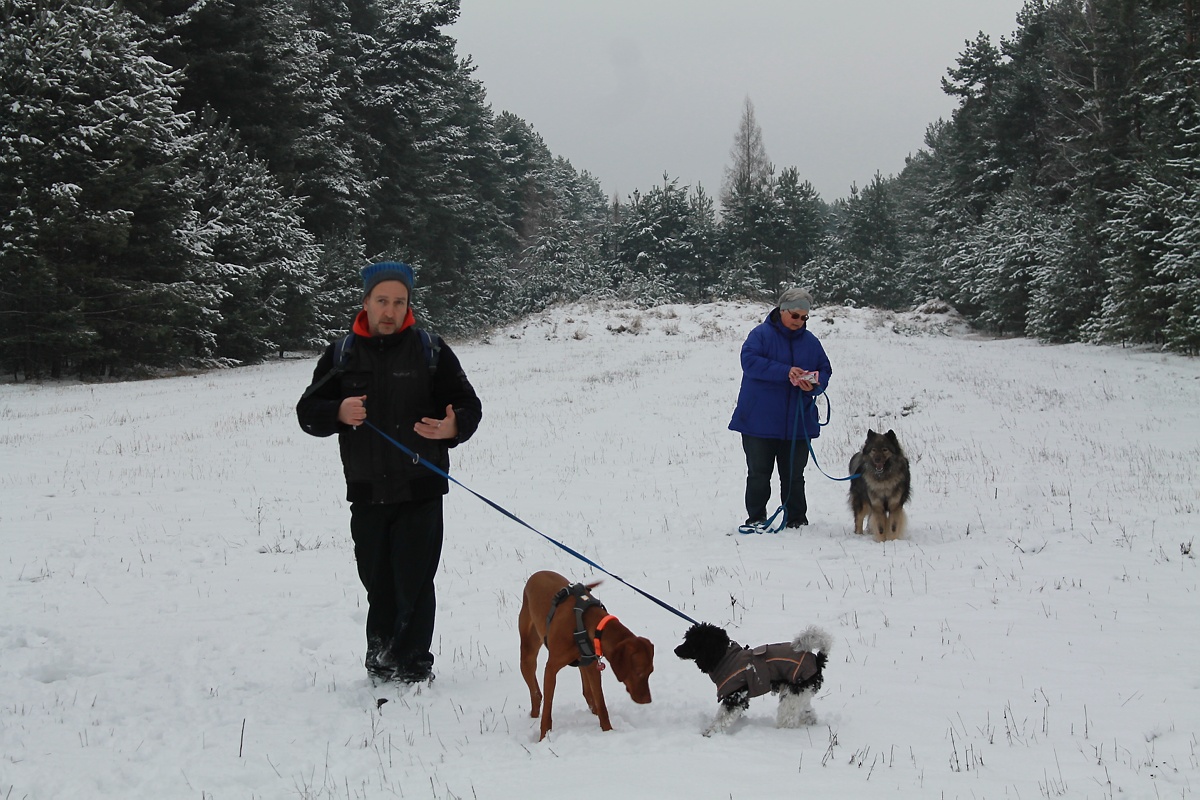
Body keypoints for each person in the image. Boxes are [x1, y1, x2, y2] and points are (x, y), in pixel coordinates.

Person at [296, 261, 482, 683]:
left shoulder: (430, 350)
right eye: (382, 300)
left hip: (421, 488)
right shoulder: (342, 353)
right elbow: (308, 413)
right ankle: (380, 657)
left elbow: (469, 405)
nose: (390, 310)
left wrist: (454, 426)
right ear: (365, 302)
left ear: (408, 305)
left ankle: (414, 663)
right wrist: (337, 411)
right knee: (377, 580)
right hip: (367, 492)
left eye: (399, 302)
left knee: (415, 581)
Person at [728, 287, 832, 530]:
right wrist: (784, 371)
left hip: (798, 422)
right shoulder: (760, 335)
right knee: (758, 474)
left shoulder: (811, 342)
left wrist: (813, 385)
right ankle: (756, 518)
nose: (799, 321)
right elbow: (749, 362)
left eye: (804, 317)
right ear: (782, 311)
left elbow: (824, 369)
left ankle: (797, 519)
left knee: (794, 475)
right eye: (795, 316)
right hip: (758, 421)